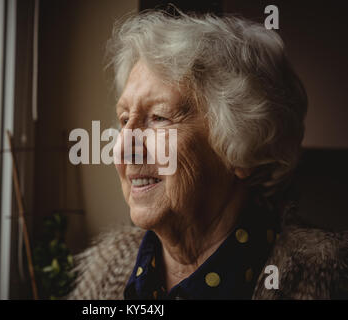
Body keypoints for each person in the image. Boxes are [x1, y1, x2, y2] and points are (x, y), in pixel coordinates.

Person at [66, 10, 348, 300]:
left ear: (241, 147)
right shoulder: (109, 267)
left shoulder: (318, 280)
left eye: (159, 118)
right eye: (125, 120)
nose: (123, 148)